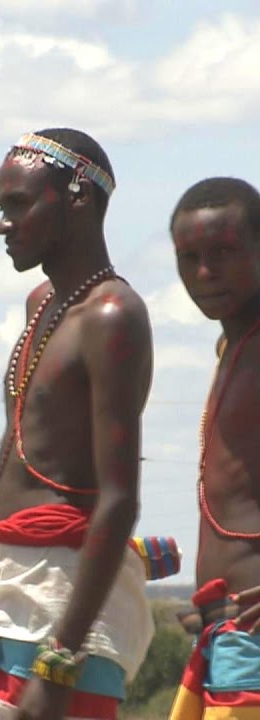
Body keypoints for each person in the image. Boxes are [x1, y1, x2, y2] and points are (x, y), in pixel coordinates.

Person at [0, 129, 165, 720]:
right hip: (2, 592)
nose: (4, 225)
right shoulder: (41, 303)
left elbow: (119, 500)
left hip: (59, 603)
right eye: (2, 208)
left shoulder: (112, 315)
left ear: (77, 198)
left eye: (18, 205)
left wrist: (59, 661)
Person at [166, 177, 260, 718]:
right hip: (228, 637)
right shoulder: (231, 345)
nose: (205, 273)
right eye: (190, 258)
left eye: (223, 253)